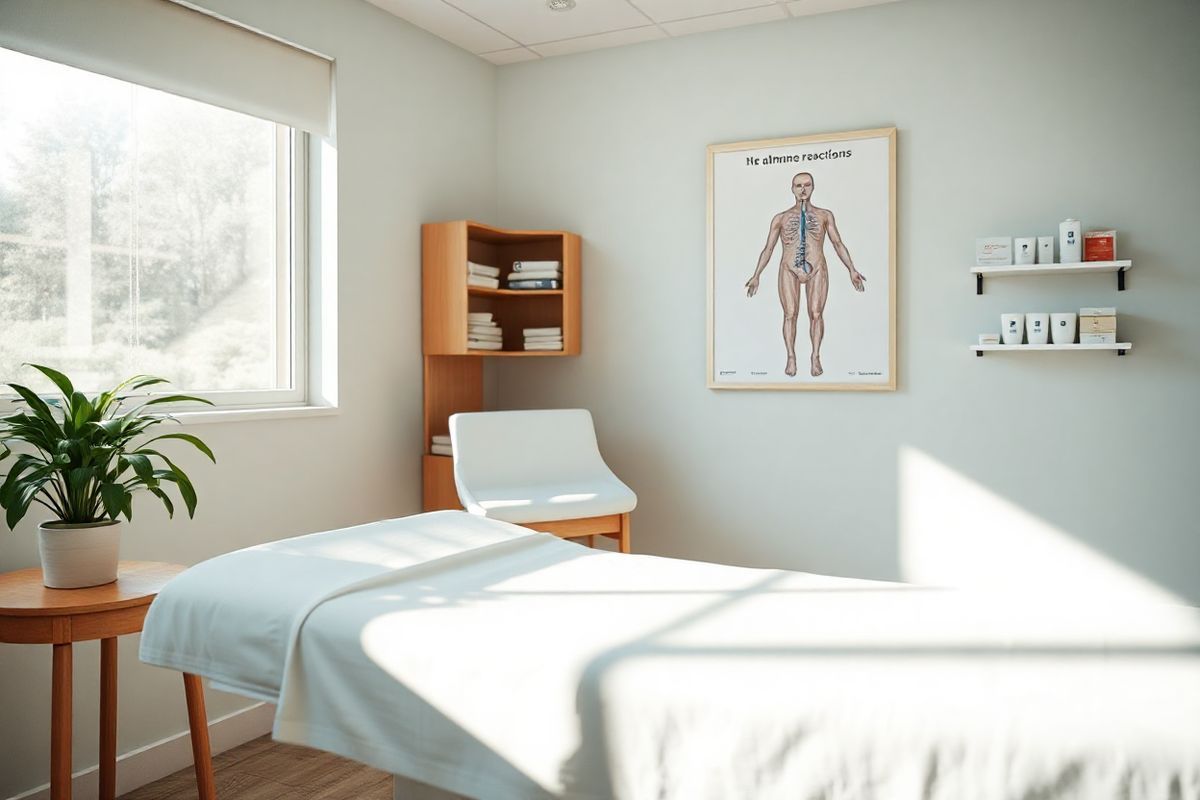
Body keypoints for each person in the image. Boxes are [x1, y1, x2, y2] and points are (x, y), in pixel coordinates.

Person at [744, 172, 866, 377]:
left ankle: (815, 356)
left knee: (816, 314)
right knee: (790, 314)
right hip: (788, 269)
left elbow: (837, 243)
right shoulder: (780, 218)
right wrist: (757, 274)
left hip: (817, 267)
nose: (803, 189)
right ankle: (791, 357)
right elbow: (769, 248)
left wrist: (851, 269)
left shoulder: (824, 215)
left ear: (813, 187)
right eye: (798, 185)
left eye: (807, 185)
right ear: (792, 189)